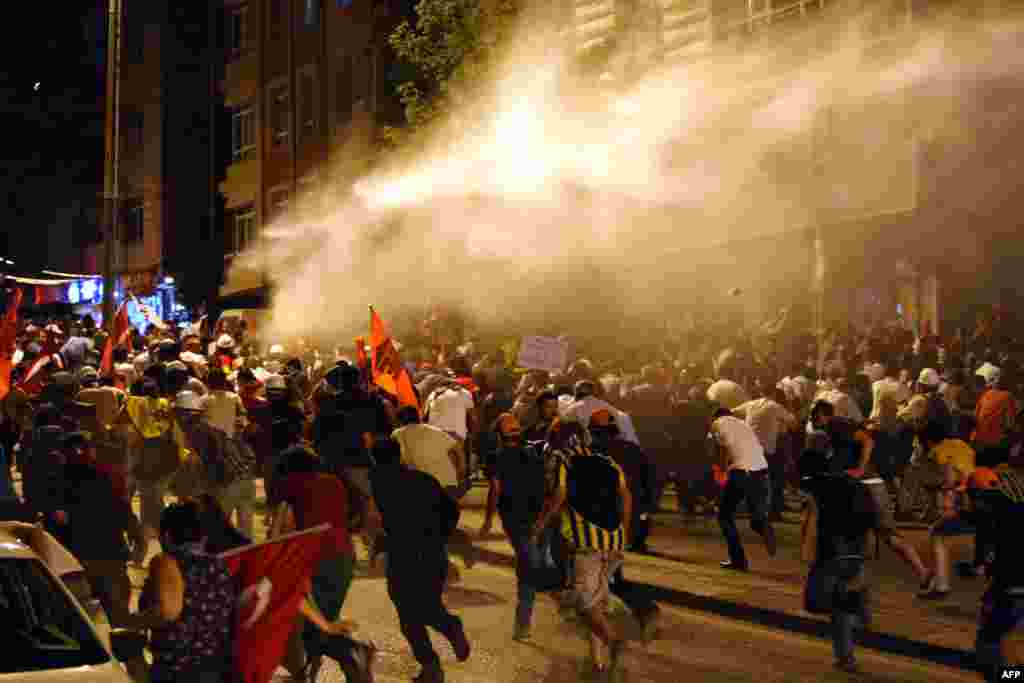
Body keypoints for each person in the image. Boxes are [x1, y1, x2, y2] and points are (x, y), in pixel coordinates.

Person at [530, 419, 631, 676]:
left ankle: (612, 639)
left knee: (583, 603)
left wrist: (540, 525)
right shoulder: (609, 462)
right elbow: (625, 496)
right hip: (614, 542)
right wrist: (625, 530)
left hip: (587, 544)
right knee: (595, 602)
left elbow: (560, 494)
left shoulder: (564, 461)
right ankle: (597, 660)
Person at [370, 439, 471, 683]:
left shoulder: (378, 483)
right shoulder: (423, 479)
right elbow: (451, 511)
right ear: (400, 455)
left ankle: (433, 661)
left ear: (375, 459)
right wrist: (440, 536)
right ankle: (445, 637)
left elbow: (378, 522)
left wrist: (378, 548)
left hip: (402, 555)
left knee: (408, 615)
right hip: (432, 552)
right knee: (427, 605)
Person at [810, 400, 933, 590]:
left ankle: (921, 572)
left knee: (884, 535)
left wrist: (860, 468)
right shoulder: (831, 432)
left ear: (822, 415)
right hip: (862, 486)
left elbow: (868, 440)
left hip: (867, 485)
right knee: (881, 536)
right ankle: (921, 572)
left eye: (814, 414)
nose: (812, 419)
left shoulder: (836, 424)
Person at [799, 447, 878, 674]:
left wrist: (808, 553)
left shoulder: (815, 488)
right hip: (856, 549)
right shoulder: (855, 485)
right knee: (841, 604)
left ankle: (856, 606)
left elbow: (812, 520)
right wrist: (868, 549)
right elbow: (871, 519)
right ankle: (846, 654)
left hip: (831, 551)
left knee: (816, 602)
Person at [479, 413, 549, 641]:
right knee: (531, 565)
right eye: (508, 426)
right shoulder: (495, 457)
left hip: (540, 516)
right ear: (499, 432)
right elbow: (495, 490)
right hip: (516, 518)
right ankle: (523, 624)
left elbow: (547, 483)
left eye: (515, 425)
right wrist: (489, 519)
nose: (513, 429)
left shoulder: (534, 452)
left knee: (538, 565)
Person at [968, 466, 1024, 682]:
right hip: (1011, 585)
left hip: (1011, 585)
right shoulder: (1017, 507)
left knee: (991, 643)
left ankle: (1011, 677)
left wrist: (977, 566)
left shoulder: (987, 513)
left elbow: (983, 560)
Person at [709, 407, 777, 570]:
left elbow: (723, 449)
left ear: (715, 416)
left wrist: (722, 474)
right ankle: (763, 526)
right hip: (761, 471)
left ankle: (738, 560)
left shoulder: (717, 424)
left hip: (740, 472)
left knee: (724, 516)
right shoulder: (743, 424)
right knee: (755, 520)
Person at [918, 422, 978, 599]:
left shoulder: (941, 451)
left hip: (971, 501)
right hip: (984, 496)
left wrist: (948, 505)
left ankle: (942, 586)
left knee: (937, 534)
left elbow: (950, 481)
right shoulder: (961, 444)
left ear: (928, 441)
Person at [733, 389, 798, 521]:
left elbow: (732, 412)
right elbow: (793, 423)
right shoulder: (774, 406)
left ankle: (747, 508)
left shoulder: (751, 404)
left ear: (761, 393)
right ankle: (773, 511)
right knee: (774, 480)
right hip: (766, 450)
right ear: (773, 395)